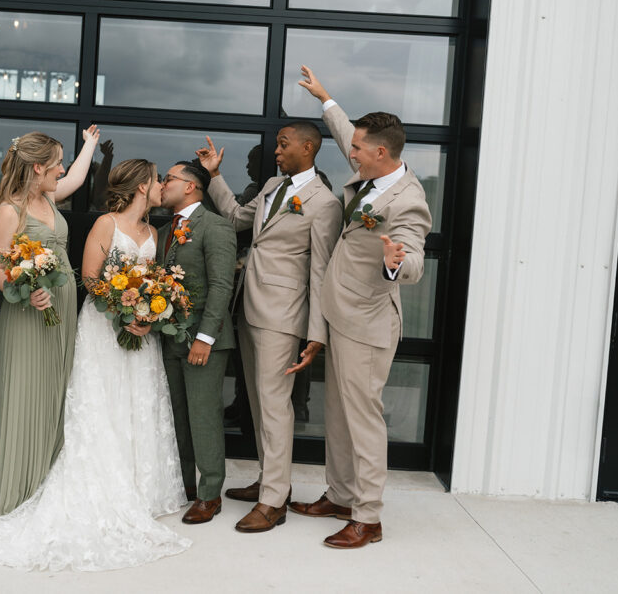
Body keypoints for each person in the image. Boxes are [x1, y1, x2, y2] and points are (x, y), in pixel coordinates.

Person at [0, 159, 191, 571]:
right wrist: (124, 309)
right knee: (103, 403)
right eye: (157, 180)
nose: (161, 187)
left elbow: (152, 279)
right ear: (141, 186)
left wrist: (147, 314)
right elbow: (90, 278)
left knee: (136, 404)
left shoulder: (154, 232)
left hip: (140, 334)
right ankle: (102, 485)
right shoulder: (106, 224)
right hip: (104, 329)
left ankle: (137, 487)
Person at [292, 65, 432, 549]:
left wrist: (398, 262)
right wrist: (326, 98)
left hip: (368, 322)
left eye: (357, 148)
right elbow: (346, 130)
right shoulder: (371, 169)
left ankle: (368, 517)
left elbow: (412, 256)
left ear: (380, 153)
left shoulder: (408, 199)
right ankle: (341, 494)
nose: (348, 150)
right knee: (338, 414)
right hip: (339, 312)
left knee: (364, 419)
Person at [197, 126, 343, 533]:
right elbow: (236, 218)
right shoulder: (273, 185)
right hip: (248, 305)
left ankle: (274, 502)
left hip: (283, 316)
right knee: (260, 405)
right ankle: (270, 480)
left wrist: (316, 333)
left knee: (276, 407)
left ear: (308, 147)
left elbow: (321, 272)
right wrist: (213, 176)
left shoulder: (325, 204)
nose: (275, 151)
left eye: (283, 144)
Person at [0, 126, 100, 516]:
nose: (62, 170)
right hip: (27, 313)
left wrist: (90, 145)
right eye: (57, 164)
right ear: (37, 168)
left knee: (56, 390)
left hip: (62, 308)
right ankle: (18, 491)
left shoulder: (50, 197)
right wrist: (25, 289)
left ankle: (48, 481)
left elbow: (79, 177)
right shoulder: (7, 210)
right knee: (26, 391)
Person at [157, 159, 237, 524]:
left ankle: (210, 494)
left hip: (203, 340)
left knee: (203, 418)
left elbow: (222, 284)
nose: (162, 184)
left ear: (190, 186)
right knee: (177, 416)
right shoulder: (163, 230)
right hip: (168, 338)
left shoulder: (216, 227)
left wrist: (205, 337)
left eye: (168, 179)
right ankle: (185, 486)